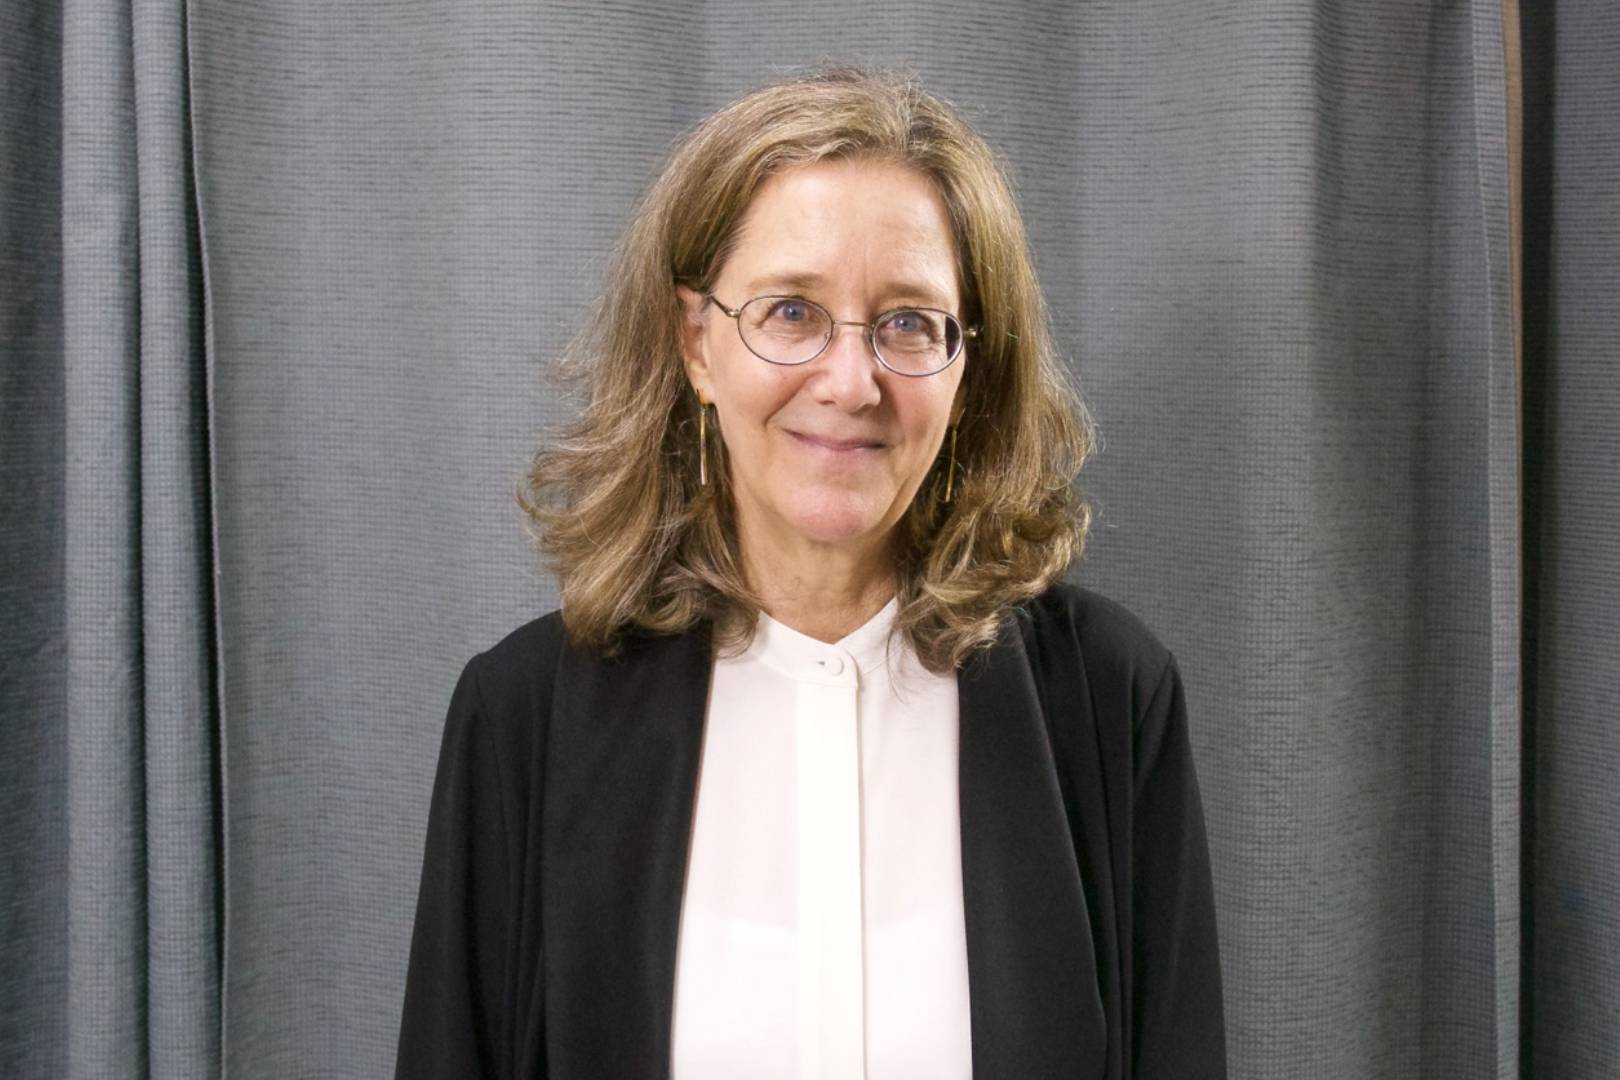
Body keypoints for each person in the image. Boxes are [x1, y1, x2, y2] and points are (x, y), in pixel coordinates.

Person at [395, 65, 1226, 1080]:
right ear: (696, 344)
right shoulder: (524, 718)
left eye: (909, 323)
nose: (850, 380)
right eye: (790, 311)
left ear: (969, 371)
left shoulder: (1108, 701)